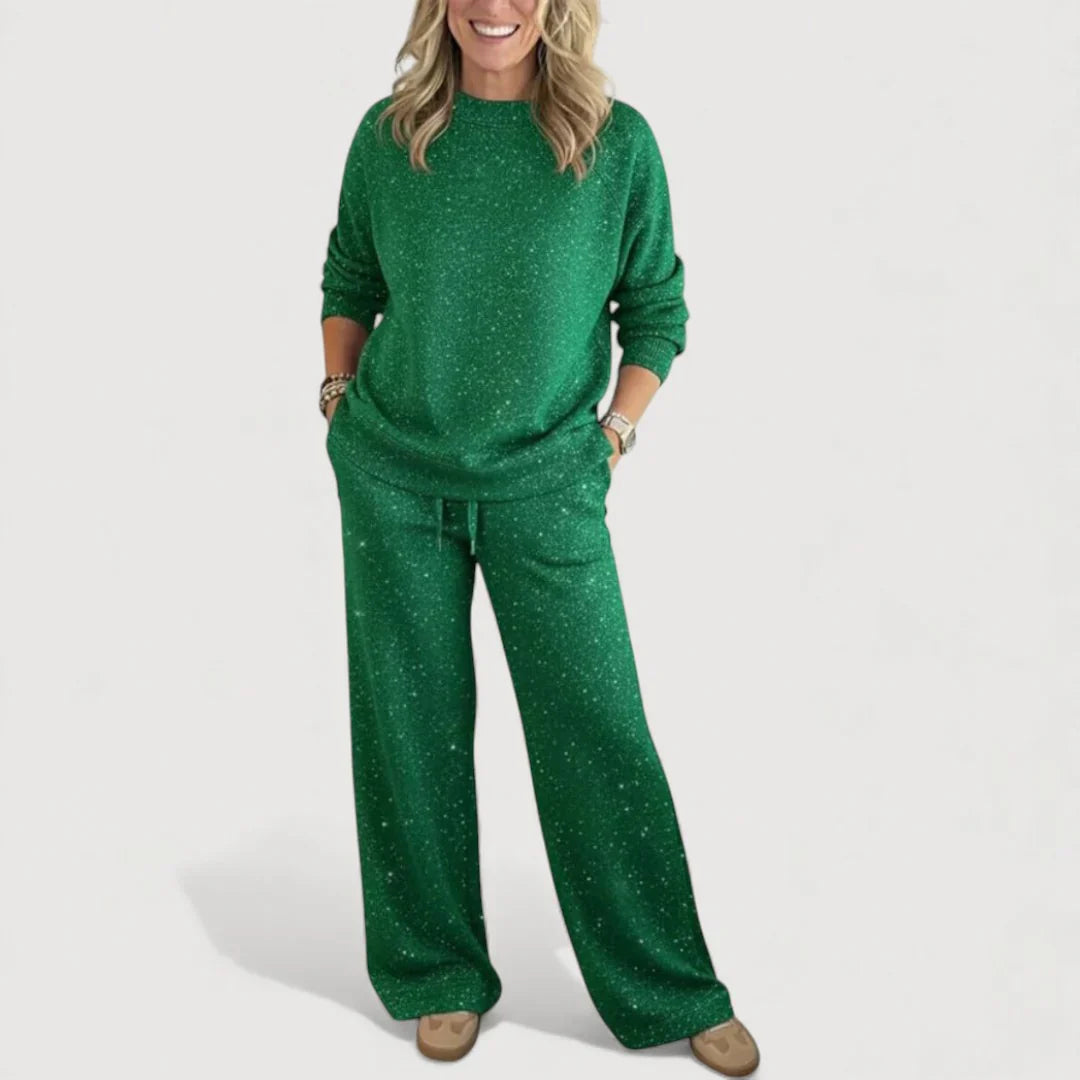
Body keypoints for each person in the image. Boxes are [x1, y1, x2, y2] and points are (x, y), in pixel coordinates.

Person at [318, 2, 760, 1074]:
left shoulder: (616, 146)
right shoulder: (390, 136)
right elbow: (350, 280)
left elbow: (656, 309)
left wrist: (614, 436)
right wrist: (337, 397)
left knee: (597, 729)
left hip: (547, 483)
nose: (494, 6)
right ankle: (436, 972)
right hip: (393, 479)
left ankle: (669, 985)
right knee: (408, 729)